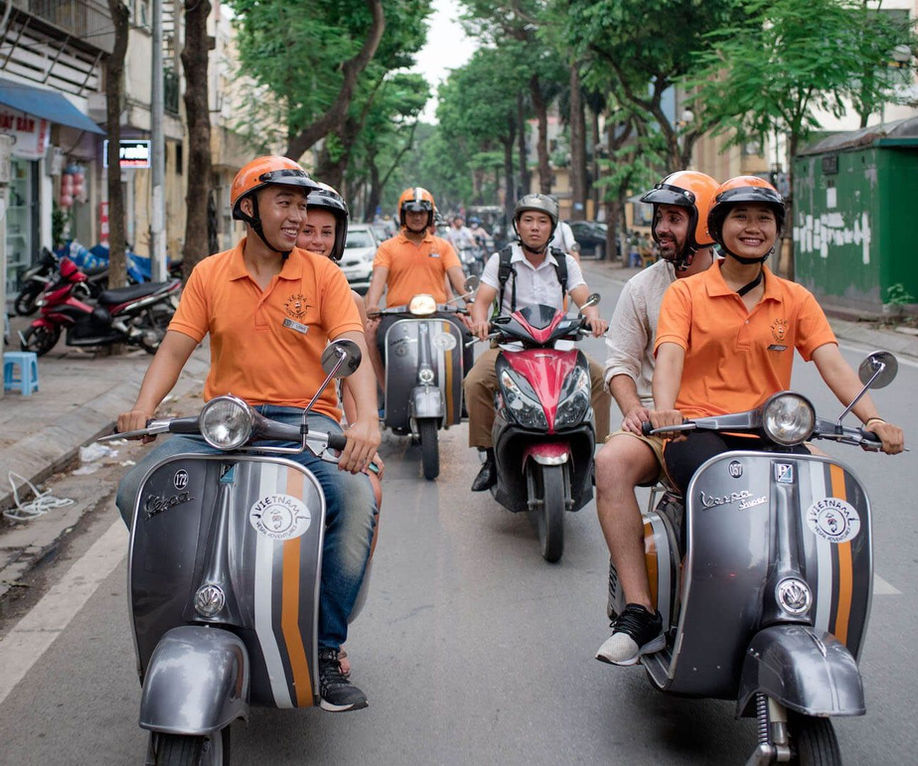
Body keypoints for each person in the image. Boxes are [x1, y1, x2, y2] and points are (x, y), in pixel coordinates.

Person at [600, 176, 906, 666]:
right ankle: (643, 611)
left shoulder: (795, 299)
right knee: (716, 496)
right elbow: (669, 356)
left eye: (764, 218)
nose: (753, 227)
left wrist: (874, 419)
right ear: (718, 228)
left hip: (771, 434)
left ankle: (810, 610)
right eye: (740, 217)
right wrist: (665, 410)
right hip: (696, 431)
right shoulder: (685, 294)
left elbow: (832, 364)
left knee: (829, 488)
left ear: (777, 230)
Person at [115, 156, 380, 712]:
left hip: (304, 422)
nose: (297, 216)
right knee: (136, 489)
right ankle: (184, 606)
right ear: (248, 208)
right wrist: (143, 407)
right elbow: (176, 346)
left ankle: (326, 649)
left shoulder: (322, 274)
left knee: (354, 499)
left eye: (302, 205)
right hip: (224, 423)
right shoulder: (210, 273)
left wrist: (367, 421)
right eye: (284, 203)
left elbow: (353, 350)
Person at [593, 170, 719, 666]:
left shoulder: (742, 284)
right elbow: (620, 364)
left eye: (675, 219)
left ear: (707, 224)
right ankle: (640, 608)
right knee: (609, 464)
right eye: (659, 219)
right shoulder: (645, 286)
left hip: (729, 426)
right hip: (657, 428)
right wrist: (635, 410)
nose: (662, 229)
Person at [464, 193, 611, 491]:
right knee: (475, 382)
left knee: (601, 380)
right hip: (510, 348)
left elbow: (583, 297)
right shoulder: (501, 260)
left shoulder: (565, 263)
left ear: (552, 227)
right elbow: (482, 300)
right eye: (528, 220)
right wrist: (480, 321)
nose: (535, 227)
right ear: (517, 225)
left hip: (558, 348)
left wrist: (593, 316)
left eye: (542, 221)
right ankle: (491, 458)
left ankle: (594, 455)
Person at [364, 187, 472, 389]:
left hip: (438, 313)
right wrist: (371, 306)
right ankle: (387, 393)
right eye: (412, 213)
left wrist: (469, 301)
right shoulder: (387, 248)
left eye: (422, 212)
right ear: (403, 215)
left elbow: (457, 276)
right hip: (398, 315)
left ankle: (462, 392)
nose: (417, 217)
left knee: (465, 336)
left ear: (430, 215)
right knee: (380, 341)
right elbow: (377, 281)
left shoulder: (442, 246)